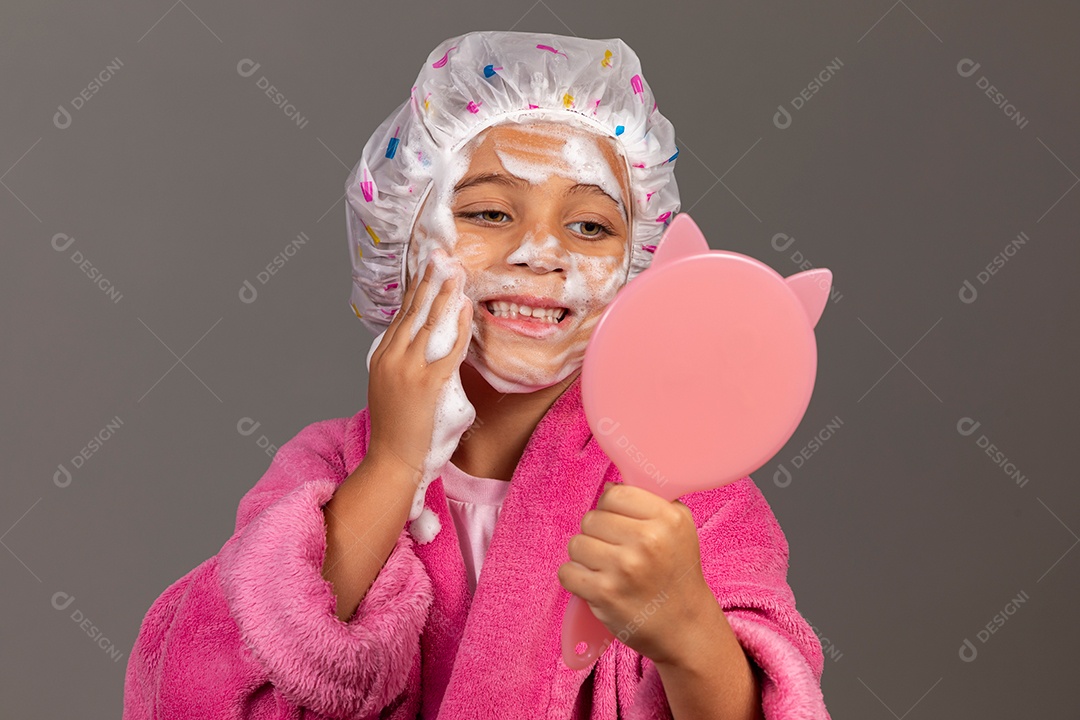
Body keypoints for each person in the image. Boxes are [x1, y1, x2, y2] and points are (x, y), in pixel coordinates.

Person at [122, 31, 831, 720]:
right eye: (489, 212)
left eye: (589, 227)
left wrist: (690, 634)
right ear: (403, 240)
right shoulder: (332, 469)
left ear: (637, 271)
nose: (540, 252)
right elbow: (205, 689)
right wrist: (395, 464)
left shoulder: (687, 492)